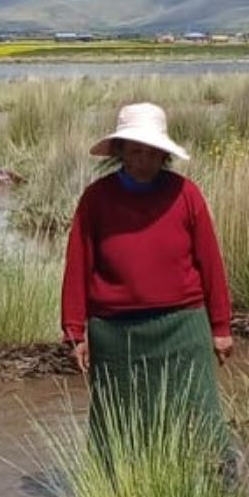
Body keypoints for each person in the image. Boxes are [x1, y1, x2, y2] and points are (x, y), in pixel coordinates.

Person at [60, 102, 233, 449]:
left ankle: (212, 487)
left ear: (164, 155)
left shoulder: (187, 195)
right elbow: (78, 265)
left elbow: (210, 262)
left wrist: (221, 327)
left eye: (153, 153)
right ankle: (118, 493)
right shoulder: (96, 199)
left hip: (183, 326)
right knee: (118, 424)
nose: (144, 161)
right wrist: (74, 331)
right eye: (136, 151)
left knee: (199, 418)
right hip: (114, 332)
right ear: (120, 151)